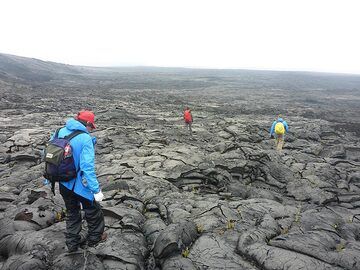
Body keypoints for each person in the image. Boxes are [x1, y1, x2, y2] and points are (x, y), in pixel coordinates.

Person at [50, 110, 106, 252]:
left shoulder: (59, 131)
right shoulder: (85, 138)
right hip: (79, 185)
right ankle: (95, 240)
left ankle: (72, 244)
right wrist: (95, 190)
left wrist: (48, 180)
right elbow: (87, 167)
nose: (91, 130)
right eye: (91, 126)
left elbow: (48, 156)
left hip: (62, 183)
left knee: (72, 213)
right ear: (87, 123)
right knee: (94, 211)